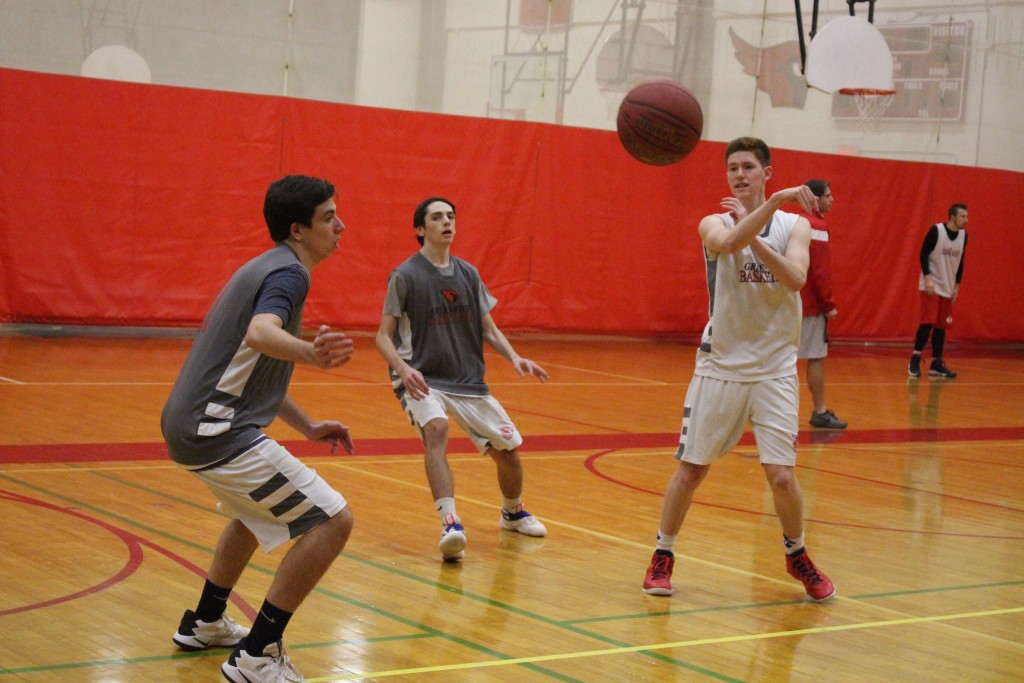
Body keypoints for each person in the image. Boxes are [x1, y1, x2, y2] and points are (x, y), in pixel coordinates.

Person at [161, 175, 356, 683]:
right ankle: (257, 653)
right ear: (298, 229)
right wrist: (313, 353)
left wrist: (308, 425)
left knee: (253, 514)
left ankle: (205, 621)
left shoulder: (266, 267)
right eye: (329, 216)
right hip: (215, 431)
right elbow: (261, 334)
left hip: (194, 425)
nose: (341, 225)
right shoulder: (290, 275)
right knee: (332, 520)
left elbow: (253, 362)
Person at [642, 137, 836, 603]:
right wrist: (768, 206)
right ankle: (662, 555)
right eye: (733, 168)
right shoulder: (713, 221)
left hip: (773, 370)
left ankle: (797, 554)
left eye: (749, 166)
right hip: (721, 365)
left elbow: (795, 279)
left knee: (783, 476)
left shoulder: (796, 226)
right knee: (691, 469)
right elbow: (727, 242)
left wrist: (765, 226)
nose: (739, 174)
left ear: (767, 171)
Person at [375, 196, 548, 562]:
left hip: (467, 380)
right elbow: (381, 335)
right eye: (437, 217)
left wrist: (516, 357)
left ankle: (512, 512)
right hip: (422, 377)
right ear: (421, 229)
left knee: (510, 454)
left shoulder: (468, 274)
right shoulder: (404, 276)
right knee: (436, 430)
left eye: (451, 216)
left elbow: (489, 328)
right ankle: (450, 523)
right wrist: (403, 370)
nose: (446, 222)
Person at [796, 179, 847, 429]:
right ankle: (820, 410)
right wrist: (829, 304)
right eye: (828, 195)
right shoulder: (817, 226)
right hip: (810, 307)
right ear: (815, 199)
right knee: (815, 357)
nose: (832, 199)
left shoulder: (794, 221)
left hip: (788, 302)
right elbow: (820, 272)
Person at [908, 204, 968, 379]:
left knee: (941, 327)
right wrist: (927, 276)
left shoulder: (964, 236)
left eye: (966, 216)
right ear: (952, 217)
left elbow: (961, 260)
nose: (966, 220)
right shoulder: (936, 231)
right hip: (932, 284)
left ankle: (936, 363)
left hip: (948, 287)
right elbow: (923, 254)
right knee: (927, 322)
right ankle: (915, 358)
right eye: (963, 216)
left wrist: (957, 285)